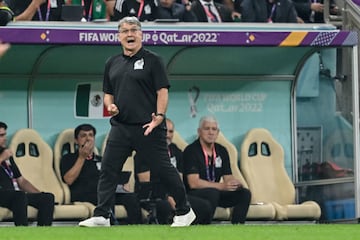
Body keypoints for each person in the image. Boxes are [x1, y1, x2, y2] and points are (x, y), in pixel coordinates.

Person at [78, 16, 196, 227]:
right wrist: (110, 105)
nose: (130, 34)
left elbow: (162, 91)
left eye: (134, 30)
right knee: (108, 168)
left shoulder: (153, 60)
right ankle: (102, 215)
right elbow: (107, 93)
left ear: (141, 34)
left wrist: (159, 118)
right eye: (125, 31)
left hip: (148, 126)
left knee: (163, 169)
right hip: (121, 127)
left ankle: (185, 210)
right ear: (118, 36)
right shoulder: (111, 62)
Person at [60, 123, 143, 225]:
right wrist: (82, 157)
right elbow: (69, 180)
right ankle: (110, 226)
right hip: (84, 194)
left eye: (91, 135)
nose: (88, 139)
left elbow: (111, 178)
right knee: (107, 195)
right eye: (83, 136)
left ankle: (137, 227)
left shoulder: (102, 160)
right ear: (76, 140)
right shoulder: (68, 158)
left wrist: (121, 185)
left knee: (131, 197)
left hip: (104, 192)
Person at [134, 118, 213, 224]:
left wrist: (173, 194)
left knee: (204, 206)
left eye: (171, 132)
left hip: (173, 193)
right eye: (165, 131)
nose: (168, 135)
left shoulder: (176, 151)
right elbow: (145, 180)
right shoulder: (144, 151)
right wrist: (167, 195)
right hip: (152, 195)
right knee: (166, 207)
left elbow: (178, 179)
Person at [183, 116, 251, 224]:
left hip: (215, 192)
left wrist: (233, 184)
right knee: (213, 193)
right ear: (199, 131)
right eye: (207, 129)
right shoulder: (191, 151)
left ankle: (238, 228)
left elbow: (227, 176)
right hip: (195, 194)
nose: (211, 132)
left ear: (218, 132)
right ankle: (206, 227)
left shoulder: (222, 150)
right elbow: (193, 183)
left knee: (244, 194)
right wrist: (221, 186)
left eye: (214, 129)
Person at [0, 121, 55, 226]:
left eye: (4, 134)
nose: (5, 138)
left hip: (14, 194)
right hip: (4, 193)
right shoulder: (4, 155)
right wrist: (2, 158)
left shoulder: (6, 153)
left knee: (47, 198)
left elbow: (21, 180)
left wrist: (39, 194)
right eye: (1, 135)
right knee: (19, 196)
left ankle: (44, 234)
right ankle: (23, 234)